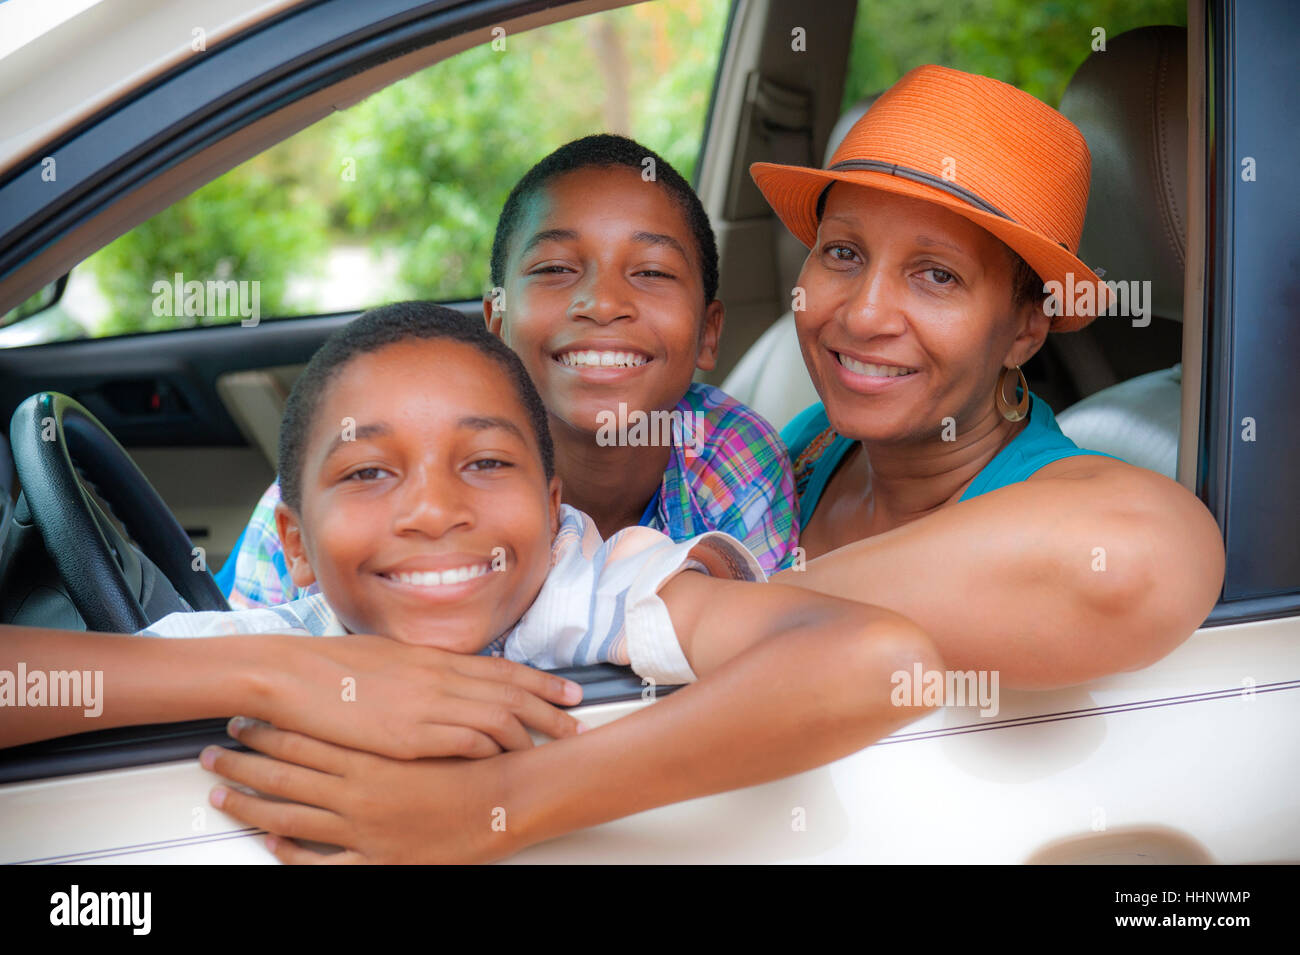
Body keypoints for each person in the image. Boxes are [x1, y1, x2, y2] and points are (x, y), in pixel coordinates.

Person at [197, 66, 1224, 864]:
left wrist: (493, 805)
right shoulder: (806, 452)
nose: (862, 312)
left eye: (936, 275)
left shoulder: (1062, 498)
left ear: (1023, 329)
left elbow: (1144, 560)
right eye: (841, 253)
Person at [2, 303, 940, 865]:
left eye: (486, 463)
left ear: (555, 504)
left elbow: (881, 661)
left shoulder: (589, 591)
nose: (434, 511)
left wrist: (491, 808)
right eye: (369, 473)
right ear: (293, 542)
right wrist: (280, 677)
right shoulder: (286, 639)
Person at [217, 136, 798, 609]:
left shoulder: (731, 459)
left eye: (650, 272)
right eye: (554, 268)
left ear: (709, 332)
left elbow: (755, 650)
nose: (601, 303)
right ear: (497, 321)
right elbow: (230, 686)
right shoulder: (350, 489)